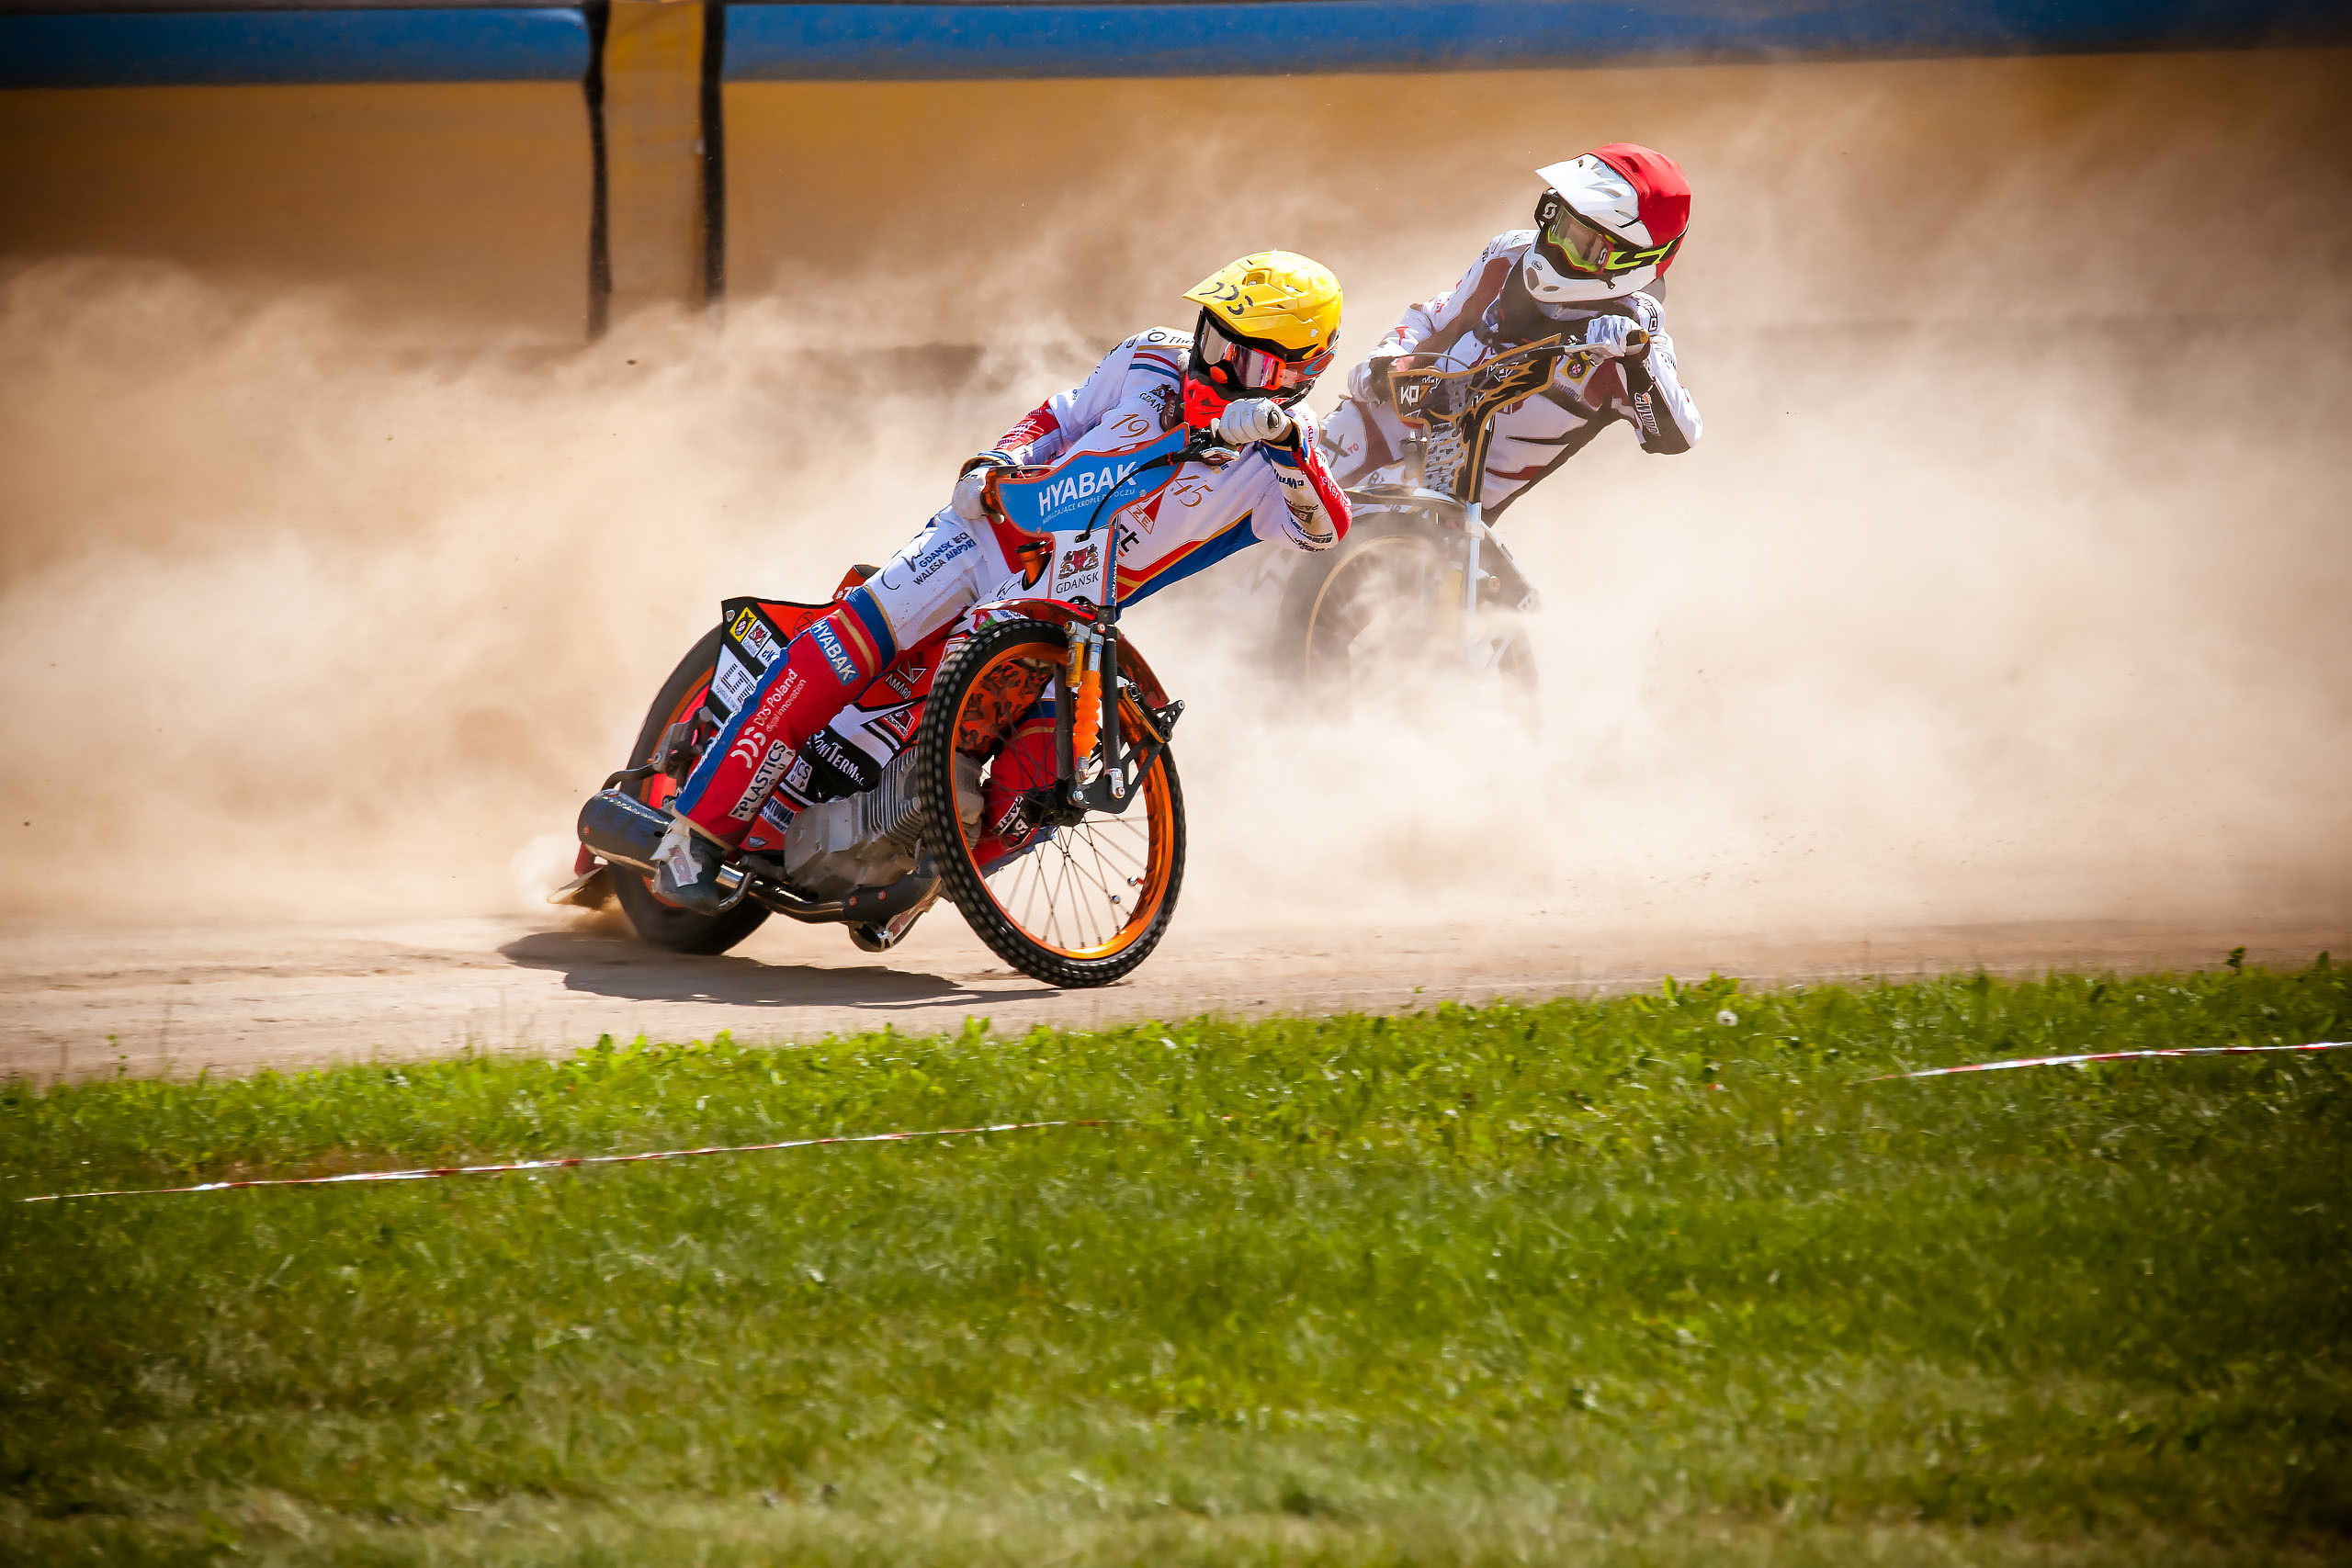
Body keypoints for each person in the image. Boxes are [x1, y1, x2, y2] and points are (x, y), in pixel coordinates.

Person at [650, 252, 1352, 913]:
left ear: (1302, 372)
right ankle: (693, 838)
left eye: (1247, 356)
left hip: (1066, 611)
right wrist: (994, 464)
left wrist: (1285, 446)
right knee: (854, 640)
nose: (1217, 361)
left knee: (1047, 784)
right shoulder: (1150, 354)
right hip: (986, 538)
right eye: (1215, 337)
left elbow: (1323, 529)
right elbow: (1061, 416)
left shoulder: (1287, 454)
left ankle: (916, 879)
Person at [1320, 143, 1702, 514]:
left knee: (1357, 554)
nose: (1555, 243)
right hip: (1381, 423)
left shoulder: (1633, 328)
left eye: (1581, 244)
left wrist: (1638, 360)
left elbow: (1678, 435)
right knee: (1280, 482)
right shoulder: (1508, 255)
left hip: (1449, 506)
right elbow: (1434, 318)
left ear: (1630, 260)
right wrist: (1387, 356)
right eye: (1559, 220)